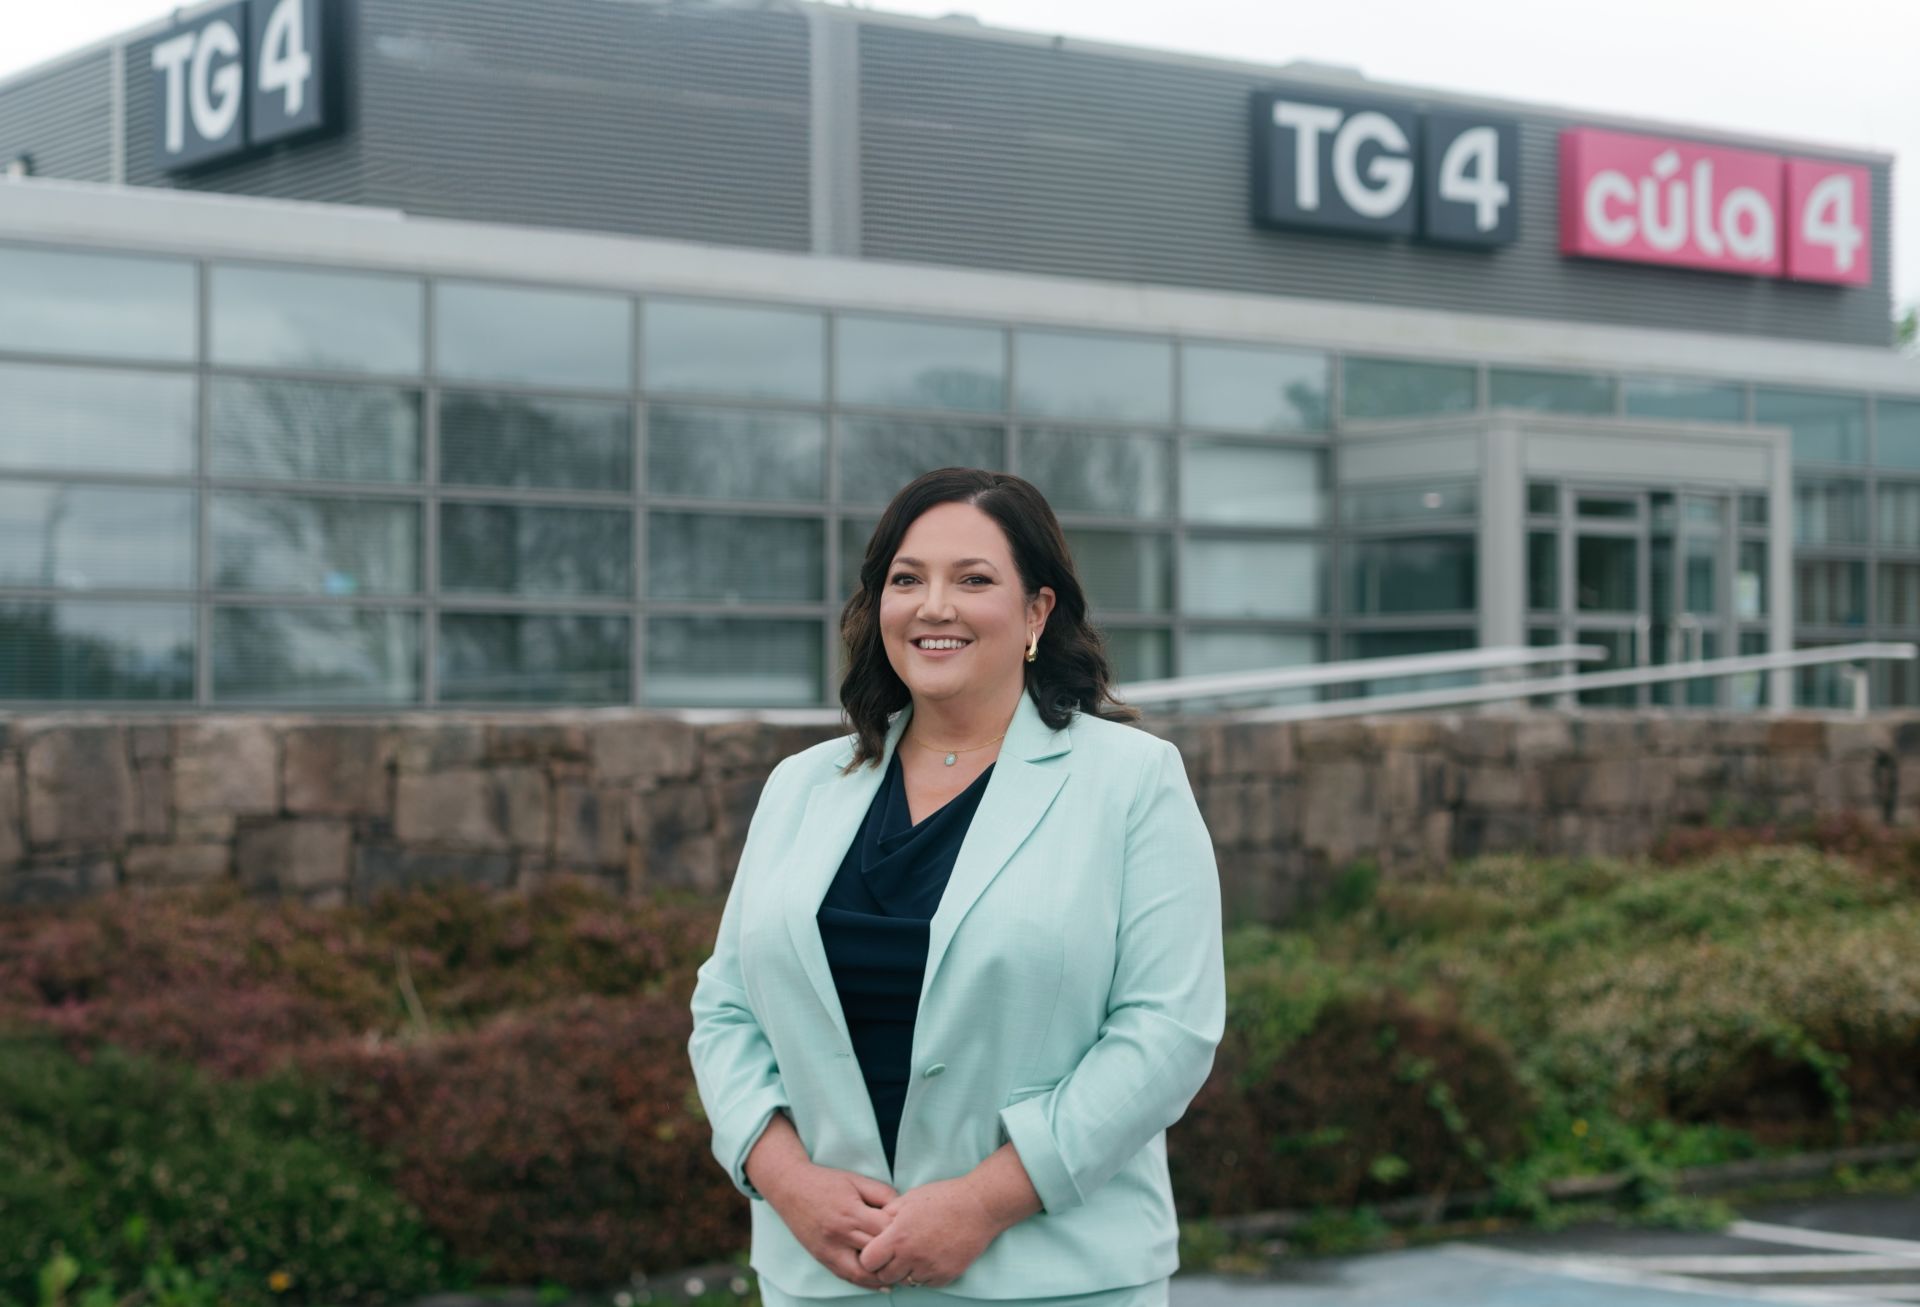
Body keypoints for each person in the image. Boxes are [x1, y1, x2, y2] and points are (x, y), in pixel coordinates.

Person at [688, 467, 1224, 1305]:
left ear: (1037, 611)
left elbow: (1168, 1030)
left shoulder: (1131, 781)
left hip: (1055, 1278)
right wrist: (786, 1179)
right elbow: (725, 1008)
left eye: (973, 580)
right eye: (908, 580)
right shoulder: (801, 786)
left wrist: (982, 1202)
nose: (934, 606)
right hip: (825, 1277)